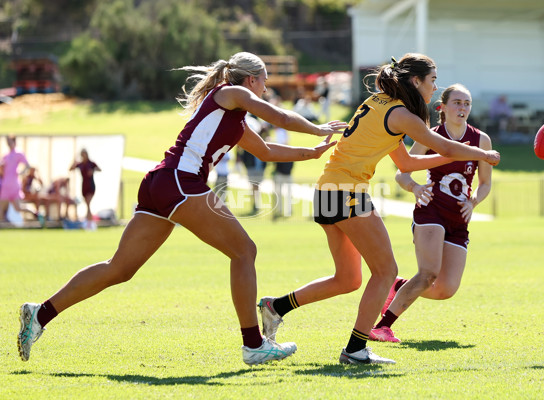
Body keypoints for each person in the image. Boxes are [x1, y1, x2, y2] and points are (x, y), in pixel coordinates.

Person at [17, 52, 346, 366]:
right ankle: (253, 344)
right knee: (244, 251)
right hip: (180, 182)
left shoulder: (233, 116)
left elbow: (266, 151)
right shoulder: (231, 93)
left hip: (162, 183)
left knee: (119, 268)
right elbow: (278, 116)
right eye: (264, 80)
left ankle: (40, 313)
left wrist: (312, 152)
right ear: (253, 80)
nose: (266, 87)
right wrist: (319, 127)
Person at [257, 54, 500, 365]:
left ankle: (276, 307)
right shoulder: (403, 116)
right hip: (347, 191)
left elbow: (408, 163)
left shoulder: (379, 102)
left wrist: (450, 156)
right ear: (416, 82)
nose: (435, 87)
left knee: (348, 279)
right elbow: (447, 148)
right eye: (433, 81)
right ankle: (356, 349)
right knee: (386, 272)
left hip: (327, 190)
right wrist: (485, 153)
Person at [370, 83, 494, 343]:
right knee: (428, 274)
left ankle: (399, 286)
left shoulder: (481, 140)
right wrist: (414, 188)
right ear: (443, 107)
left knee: (445, 289)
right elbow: (402, 172)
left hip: (459, 219)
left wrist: (473, 203)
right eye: (457, 103)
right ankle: (382, 327)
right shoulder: (430, 135)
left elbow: (485, 183)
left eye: (467, 103)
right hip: (431, 211)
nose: (462, 108)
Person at [0, 135, 38, 222]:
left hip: (13, 184)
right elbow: (2, 171)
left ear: (14, 142)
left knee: (16, 208)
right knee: (3, 207)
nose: (9, 144)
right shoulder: (5, 156)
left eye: (10, 142)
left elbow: (27, 165)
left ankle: (35, 212)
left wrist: (20, 173)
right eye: (8, 142)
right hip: (6, 184)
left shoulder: (18, 153)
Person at [70, 149, 101, 228]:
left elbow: (99, 169)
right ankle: (89, 222)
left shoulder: (91, 163)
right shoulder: (80, 164)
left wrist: (93, 171)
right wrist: (74, 160)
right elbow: (71, 169)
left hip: (90, 185)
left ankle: (89, 222)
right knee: (87, 204)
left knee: (88, 203)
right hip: (84, 186)